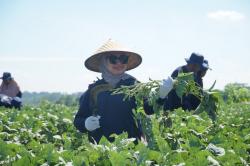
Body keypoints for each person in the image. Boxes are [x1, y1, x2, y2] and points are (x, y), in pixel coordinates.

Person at [74, 39, 173, 143]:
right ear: (103, 62)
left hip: (131, 146)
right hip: (102, 149)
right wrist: (86, 124)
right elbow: (78, 120)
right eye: (113, 59)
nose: (119, 63)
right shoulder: (94, 90)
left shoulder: (134, 85)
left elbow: (148, 109)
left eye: (123, 58)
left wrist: (161, 95)